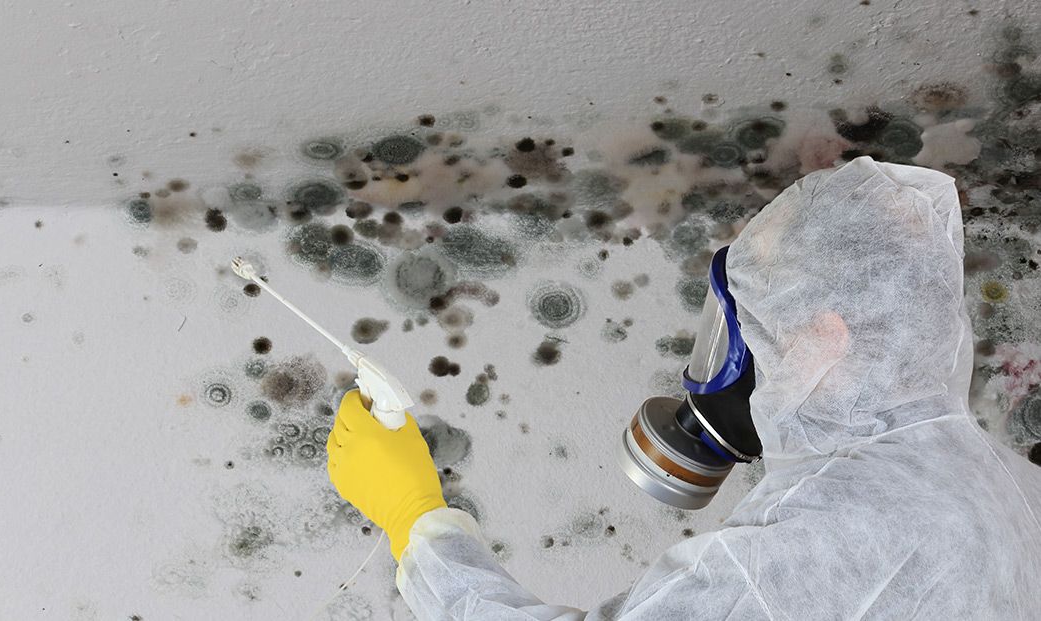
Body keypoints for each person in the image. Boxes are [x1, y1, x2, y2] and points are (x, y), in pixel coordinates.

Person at [326, 156, 1041, 619]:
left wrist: (420, 523)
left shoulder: (828, 525)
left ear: (826, 337)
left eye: (753, 328)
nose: (731, 359)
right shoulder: (1002, 490)